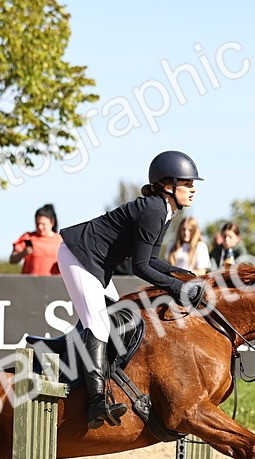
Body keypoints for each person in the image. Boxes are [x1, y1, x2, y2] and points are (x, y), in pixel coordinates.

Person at [58, 150, 207, 429]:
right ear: (168, 186)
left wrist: (181, 275)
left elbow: (151, 260)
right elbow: (140, 267)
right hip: (78, 255)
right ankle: (95, 404)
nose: (193, 188)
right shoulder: (154, 210)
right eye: (187, 183)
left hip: (97, 262)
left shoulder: (164, 210)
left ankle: (103, 380)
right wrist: (177, 287)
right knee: (100, 326)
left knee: (120, 320)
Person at [9, 204, 63, 276]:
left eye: (43, 224)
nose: (40, 227)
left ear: (52, 222)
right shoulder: (28, 238)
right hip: (30, 284)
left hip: (53, 284)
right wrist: (23, 253)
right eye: (37, 224)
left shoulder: (61, 241)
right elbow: (12, 260)